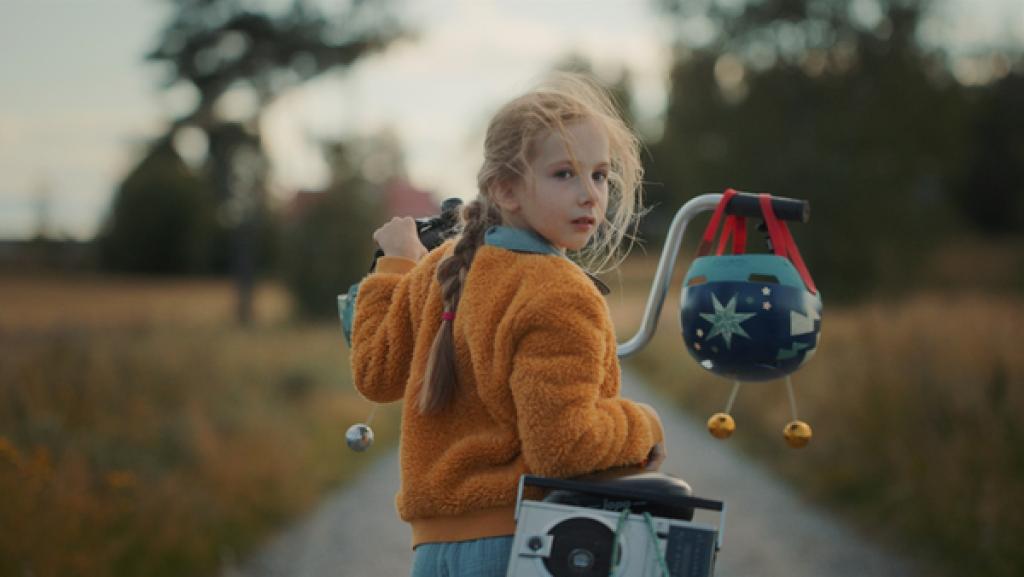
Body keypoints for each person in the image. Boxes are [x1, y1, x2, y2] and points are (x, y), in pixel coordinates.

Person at [350, 72, 666, 577]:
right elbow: (563, 448)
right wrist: (642, 424)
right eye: (565, 174)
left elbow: (374, 374)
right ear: (507, 190)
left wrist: (395, 268)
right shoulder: (558, 291)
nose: (590, 195)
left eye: (601, 175)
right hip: (525, 546)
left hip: (433, 553)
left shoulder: (437, 268)